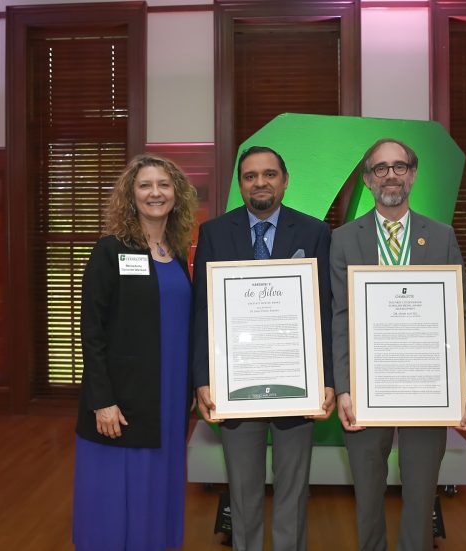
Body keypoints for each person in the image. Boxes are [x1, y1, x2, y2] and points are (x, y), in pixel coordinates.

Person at [330, 138, 466, 551]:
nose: (390, 175)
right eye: (380, 168)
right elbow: (339, 317)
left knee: (420, 493)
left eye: (400, 167)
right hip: (365, 387)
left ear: (413, 175)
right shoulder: (343, 240)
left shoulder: (441, 236)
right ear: (367, 179)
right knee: (367, 492)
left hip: (426, 387)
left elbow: (459, 315)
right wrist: (343, 386)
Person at [193, 145, 335, 551]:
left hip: (297, 384)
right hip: (235, 385)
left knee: (292, 489)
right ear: (240, 184)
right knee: (243, 490)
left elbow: (324, 310)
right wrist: (203, 379)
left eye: (269, 174)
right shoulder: (215, 233)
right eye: (251, 176)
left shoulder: (314, 232)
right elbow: (202, 310)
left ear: (285, 181)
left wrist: (326, 379)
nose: (260, 183)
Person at [73, 154, 198, 551]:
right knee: (114, 494)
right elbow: (91, 331)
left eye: (164, 184)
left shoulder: (176, 255)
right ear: (131, 195)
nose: (155, 193)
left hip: (169, 397)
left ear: (176, 195)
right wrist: (102, 399)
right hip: (123, 399)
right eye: (145, 185)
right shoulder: (110, 251)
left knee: (160, 484)